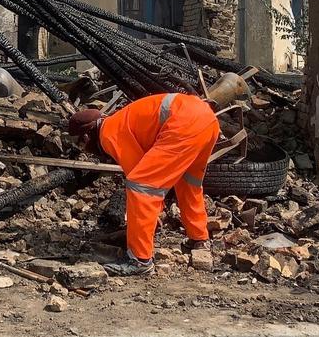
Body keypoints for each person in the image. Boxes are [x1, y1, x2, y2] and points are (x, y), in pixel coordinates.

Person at [67, 92, 221, 276]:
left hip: (183, 123)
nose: (85, 149)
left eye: (81, 144)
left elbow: (141, 181)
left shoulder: (108, 133)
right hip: (207, 120)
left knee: (140, 185)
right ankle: (199, 238)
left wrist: (149, 216)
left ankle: (139, 259)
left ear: (86, 137)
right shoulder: (120, 120)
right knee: (189, 182)